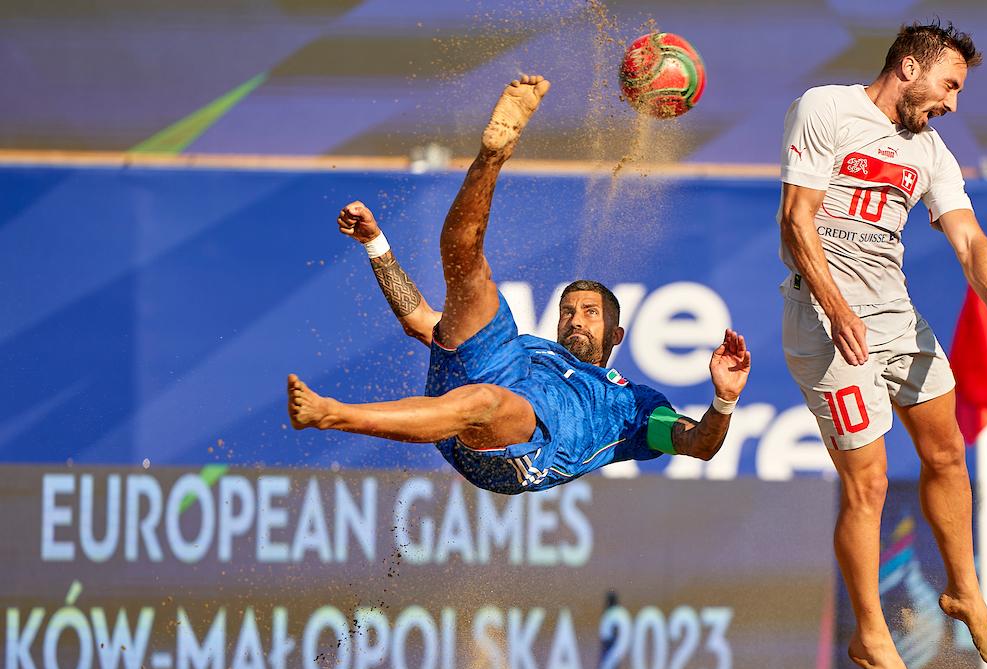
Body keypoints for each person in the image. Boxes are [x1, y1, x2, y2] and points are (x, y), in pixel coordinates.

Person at [289, 75, 751, 494]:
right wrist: (375, 243)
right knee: (469, 270)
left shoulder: (634, 406)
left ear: (616, 336)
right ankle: (494, 155)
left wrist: (725, 399)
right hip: (503, 375)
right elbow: (418, 320)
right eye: (568, 311)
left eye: (591, 313)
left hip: (521, 454)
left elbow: (698, 444)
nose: (575, 320)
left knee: (486, 400)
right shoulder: (534, 350)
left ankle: (333, 413)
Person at [777, 23, 987, 669]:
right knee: (867, 484)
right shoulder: (826, 109)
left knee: (947, 452)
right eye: (950, 85)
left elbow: (970, 239)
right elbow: (795, 220)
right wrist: (837, 308)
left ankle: (962, 587)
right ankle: (871, 634)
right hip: (824, 320)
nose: (954, 104)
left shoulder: (929, 151)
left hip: (896, 319)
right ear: (908, 67)